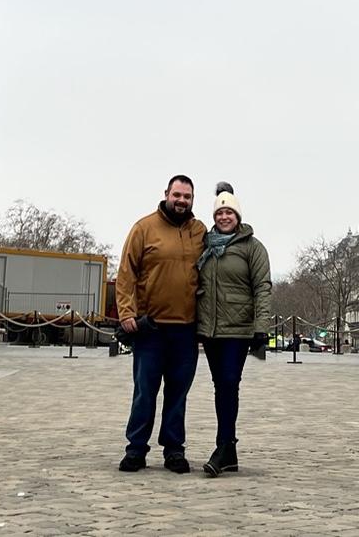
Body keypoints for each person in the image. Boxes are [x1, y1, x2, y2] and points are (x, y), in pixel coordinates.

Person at [115, 174, 205, 473]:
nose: (181, 201)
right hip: (150, 328)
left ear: (192, 199)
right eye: (177, 195)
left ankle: (174, 450)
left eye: (187, 197)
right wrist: (126, 312)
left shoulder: (200, 231)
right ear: (167, 193)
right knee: (145, 391)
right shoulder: (144, 228)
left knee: (178, 393)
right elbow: (126, 272)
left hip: (186, 329)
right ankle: (136, 449)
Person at [193, 183, 271, 478]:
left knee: (228, 383)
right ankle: (230, 453)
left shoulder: (252, 247)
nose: (224, 216)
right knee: (221, 387)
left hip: (238, 330)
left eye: (230, 212)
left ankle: (223, 447)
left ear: (238, 216)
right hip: (212, 330)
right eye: (220, 212)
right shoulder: (205, 246)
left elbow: (263, 288)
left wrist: (261, 328)